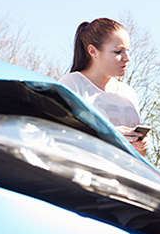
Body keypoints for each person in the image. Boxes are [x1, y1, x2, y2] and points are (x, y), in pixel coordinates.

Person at [59, 18, 149, 156]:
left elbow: (140, 155)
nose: (127, 58)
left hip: (125, 174)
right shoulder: (72, 84)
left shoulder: (128, 93)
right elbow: (62, 138)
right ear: (93, 51)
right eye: (118, 52)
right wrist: (109, 135)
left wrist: (141, 145)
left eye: (128, 50)